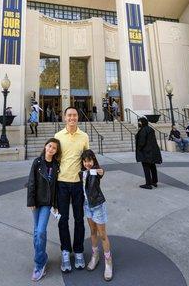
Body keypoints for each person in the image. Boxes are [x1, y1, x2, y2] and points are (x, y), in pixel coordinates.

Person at [55, 107, 89, 272]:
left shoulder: (84, 136)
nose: (72, 118)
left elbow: (87, 159)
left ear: (78, 118)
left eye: (74, 115)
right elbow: (53, 160)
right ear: (64, 117)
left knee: (79, 219)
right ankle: (66, 251)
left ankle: (79, 250)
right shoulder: (58, 136)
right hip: (61, 183)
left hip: (77, 184)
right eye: (69, 115)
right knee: (63, 220)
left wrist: (97, 172)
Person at [27, 138, 61, 282]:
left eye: (54, 148)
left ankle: (39, 264)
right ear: (45, 147)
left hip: (47, 203)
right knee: (37, 232)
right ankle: (42, 259)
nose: (51, 149)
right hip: (36, 202)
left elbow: (57, 187)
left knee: (40, 231)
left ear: (56, 151)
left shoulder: (56, 165)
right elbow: (31, 182)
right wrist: (30, 201)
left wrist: (56, 204)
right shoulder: (37, 162)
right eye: (49, 146)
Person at [80, 149, 113, 281]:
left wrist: (101, 171)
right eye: (85, 161)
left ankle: (108, 261)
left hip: (98, 206)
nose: (87, 163)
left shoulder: (96, 171)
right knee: (93, 232)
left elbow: (100, 173)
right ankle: (95, 255)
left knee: (102, 234)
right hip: (87, 206)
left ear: (93, 161)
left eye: (90, 161)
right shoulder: (81, 173)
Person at [135, 117, 162, 190]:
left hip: (145, 152)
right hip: (152, 151)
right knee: (152, 166)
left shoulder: (143, 130)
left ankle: (148, 184)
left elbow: (142, 142)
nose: (138, 123)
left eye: (139, 122)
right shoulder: (150, 129)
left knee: (146, 168)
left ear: (142, 122)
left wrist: (139, 149)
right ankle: (154, 181)